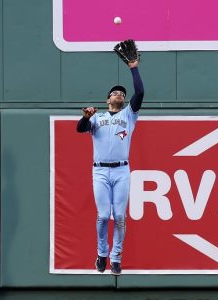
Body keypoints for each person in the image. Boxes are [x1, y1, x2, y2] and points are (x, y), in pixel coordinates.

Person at [76, 58, 144, 275]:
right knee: (104, 215)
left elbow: (140, 93)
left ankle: (115, 258)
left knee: (121, 216)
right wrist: (85, 117)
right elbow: (80, 129)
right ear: (107, 100)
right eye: (115, 93)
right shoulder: (97, 117)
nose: (119, 95)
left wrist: (134, 68)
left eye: (122, 94)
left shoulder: (129, 115)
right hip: (101, 171)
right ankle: (101, 254)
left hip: (122, 170)